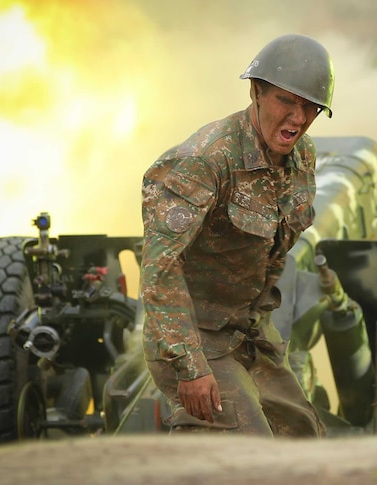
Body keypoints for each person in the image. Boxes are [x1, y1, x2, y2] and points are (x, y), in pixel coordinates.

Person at [139, 34, 334, 436]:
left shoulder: (302, 156)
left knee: (303, 436)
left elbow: (276, 246)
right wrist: (190, 368)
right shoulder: (205, 160)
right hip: (193, 338)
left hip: (247, 331)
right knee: (250, 456)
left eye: (310, 107)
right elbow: (160, 271)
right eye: (286, 101)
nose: (298, 118)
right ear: (256, 92)